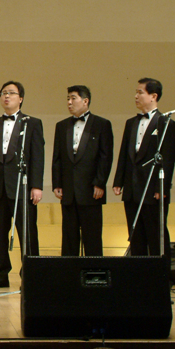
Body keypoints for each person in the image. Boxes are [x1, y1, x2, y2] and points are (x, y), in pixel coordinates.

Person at [0, 81, 44, 288]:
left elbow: (37, 156)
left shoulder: (32, 123)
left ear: (21, 98)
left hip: (22, 188)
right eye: (3, 93)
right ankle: (0, 275)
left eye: (11, 93)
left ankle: (32, 276)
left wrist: (36, 185)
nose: (6, 96)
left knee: (27, 234)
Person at [112, 78, 175, 257]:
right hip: (132, 187)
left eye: (140, 92)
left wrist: (161, 188)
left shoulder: (166, 123)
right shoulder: (131, 123)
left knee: (156, 234)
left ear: (153, 96)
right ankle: (138, 272)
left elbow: (168, 159)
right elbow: (124, 153)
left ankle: (160, 272)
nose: (136, 96)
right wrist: (118, 180)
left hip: (152, 188)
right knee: (136, 236)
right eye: (136, 92)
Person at [51, 85, 113, 256]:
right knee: (69, 238)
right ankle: (69, 271)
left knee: (92, 237)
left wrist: (100, 183)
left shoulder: (102, 124)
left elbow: (105, 157)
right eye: (68, 99)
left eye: (73, 98)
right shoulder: (62, 126)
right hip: (68, 191)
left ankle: (93, 271)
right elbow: (57, 157)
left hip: (91, 190)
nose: (69, 102)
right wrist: (57, 183)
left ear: (85, 101)